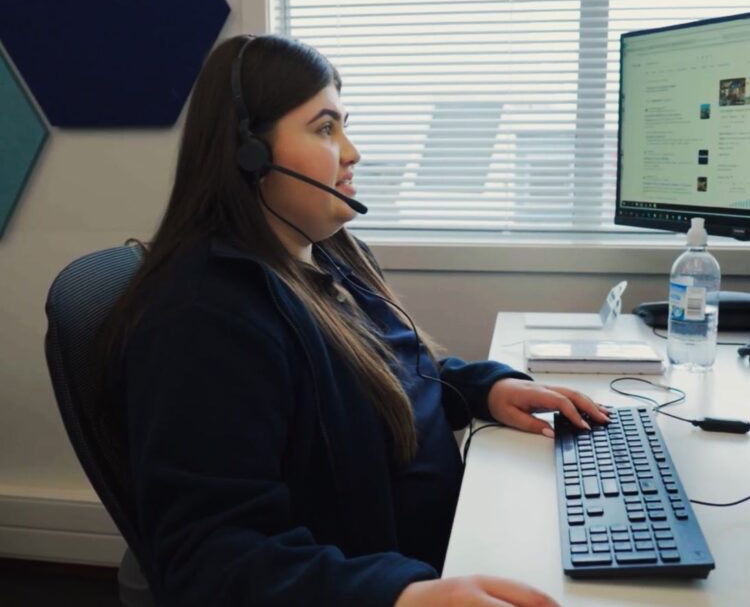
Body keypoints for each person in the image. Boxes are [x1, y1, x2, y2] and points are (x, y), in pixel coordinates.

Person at [93, 34, 610, 607]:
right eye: (324, 128)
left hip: (440, 550)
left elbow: (394, 371)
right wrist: (404, 595)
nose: (352, 151)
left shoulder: (329, 253)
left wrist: (487, 388)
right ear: (250, 154)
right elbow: (212, 557)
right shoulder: (206, 319)